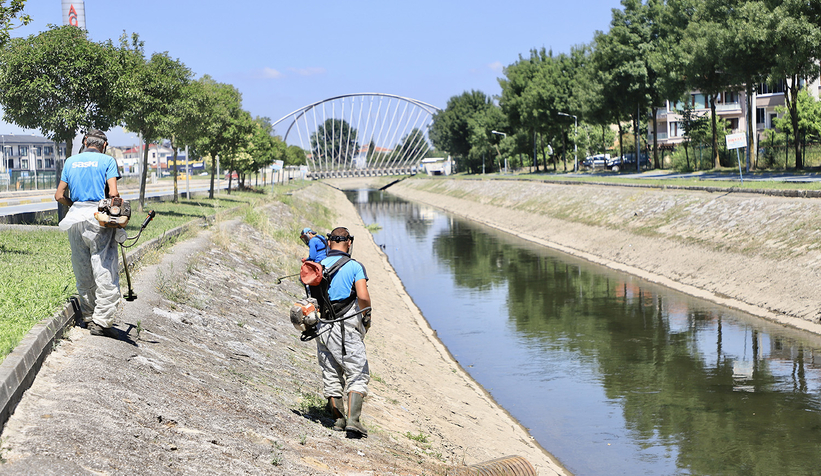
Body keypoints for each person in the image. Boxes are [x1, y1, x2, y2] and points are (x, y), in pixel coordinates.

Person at [54, 129, 123, 339]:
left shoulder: (70, 162)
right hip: (97, 217)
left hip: (74, 219)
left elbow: (59, 196)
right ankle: (102, 322)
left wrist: (73, 204)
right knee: (104, 267)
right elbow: (113, 193)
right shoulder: (107, 161)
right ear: (104, 145)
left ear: (85, 142)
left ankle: (88, 315)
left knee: (82, 269)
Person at [317, 226, 372, 437]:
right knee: (358, 372)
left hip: (321, 325)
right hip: (346, 326)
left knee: (330, 373)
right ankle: (353, 421)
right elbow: (363, 296)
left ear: (329, 242)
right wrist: (367, 315)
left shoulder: (318, 265)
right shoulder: (355, 266)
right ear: (349, 242)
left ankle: (338, 420)